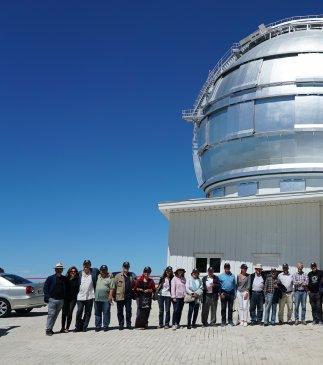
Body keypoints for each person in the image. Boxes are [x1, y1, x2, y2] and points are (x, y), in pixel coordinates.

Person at [110, 261, 136, 330]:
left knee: (128, 311)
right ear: (122, 267)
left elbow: (134, 285)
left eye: (127, 267)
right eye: (125, 266)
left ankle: (128, 324)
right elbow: (114, 287)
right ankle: (121, 324)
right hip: (119, 296)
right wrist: (113, 296)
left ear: (129, 267)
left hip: (128, 297)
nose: (126, 268)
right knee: (120, 311)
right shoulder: (118, 276)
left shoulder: (131, 276)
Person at [75, 259, 99, 332]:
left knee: (88, 313)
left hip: (90, 296)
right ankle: (78, 327)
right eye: (85, 265)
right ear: (83, 266)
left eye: (88, 265)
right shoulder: (79, 273)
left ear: (90, 265)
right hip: (80, 296)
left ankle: (84, 327)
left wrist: (109, 273)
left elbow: (102, 272)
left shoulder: (94, 272)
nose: (86, 266)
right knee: (79, 311)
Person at [43, 262, 66, 336]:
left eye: (60, 269)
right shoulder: (50, 278)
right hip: (52, 299)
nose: (59, 270)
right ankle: (48, 329)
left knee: (55, 315)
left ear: (62, 270)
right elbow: (45, 288)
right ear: (55, 270)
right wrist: (47, 297)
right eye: (58, 269)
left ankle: (50, 329)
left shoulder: (64, 278)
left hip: (61, 300)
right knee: (51, 315)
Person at [94, 265, 113, 332]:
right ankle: (98, 326)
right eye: (102, 270)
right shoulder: (98, 276)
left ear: (107, 270)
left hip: (106, 299)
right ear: (100, 271)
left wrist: (110, 296)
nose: (103, 271)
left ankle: (105, 326)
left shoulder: (110, 278)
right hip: (97, 299)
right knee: (97, 313)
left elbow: (111, 288)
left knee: (106, 313)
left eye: (105, 270)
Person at [60, 266, 79, 333]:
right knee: (64, 313)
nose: (73, 272)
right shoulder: (65, 279)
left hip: (73, 299)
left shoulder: (78, 279)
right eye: (71, 271)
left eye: (74, 271)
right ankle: (62, 328)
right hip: (65, 298)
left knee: (70, 312)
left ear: (76, 272)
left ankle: (67, 328)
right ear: (69, 272)